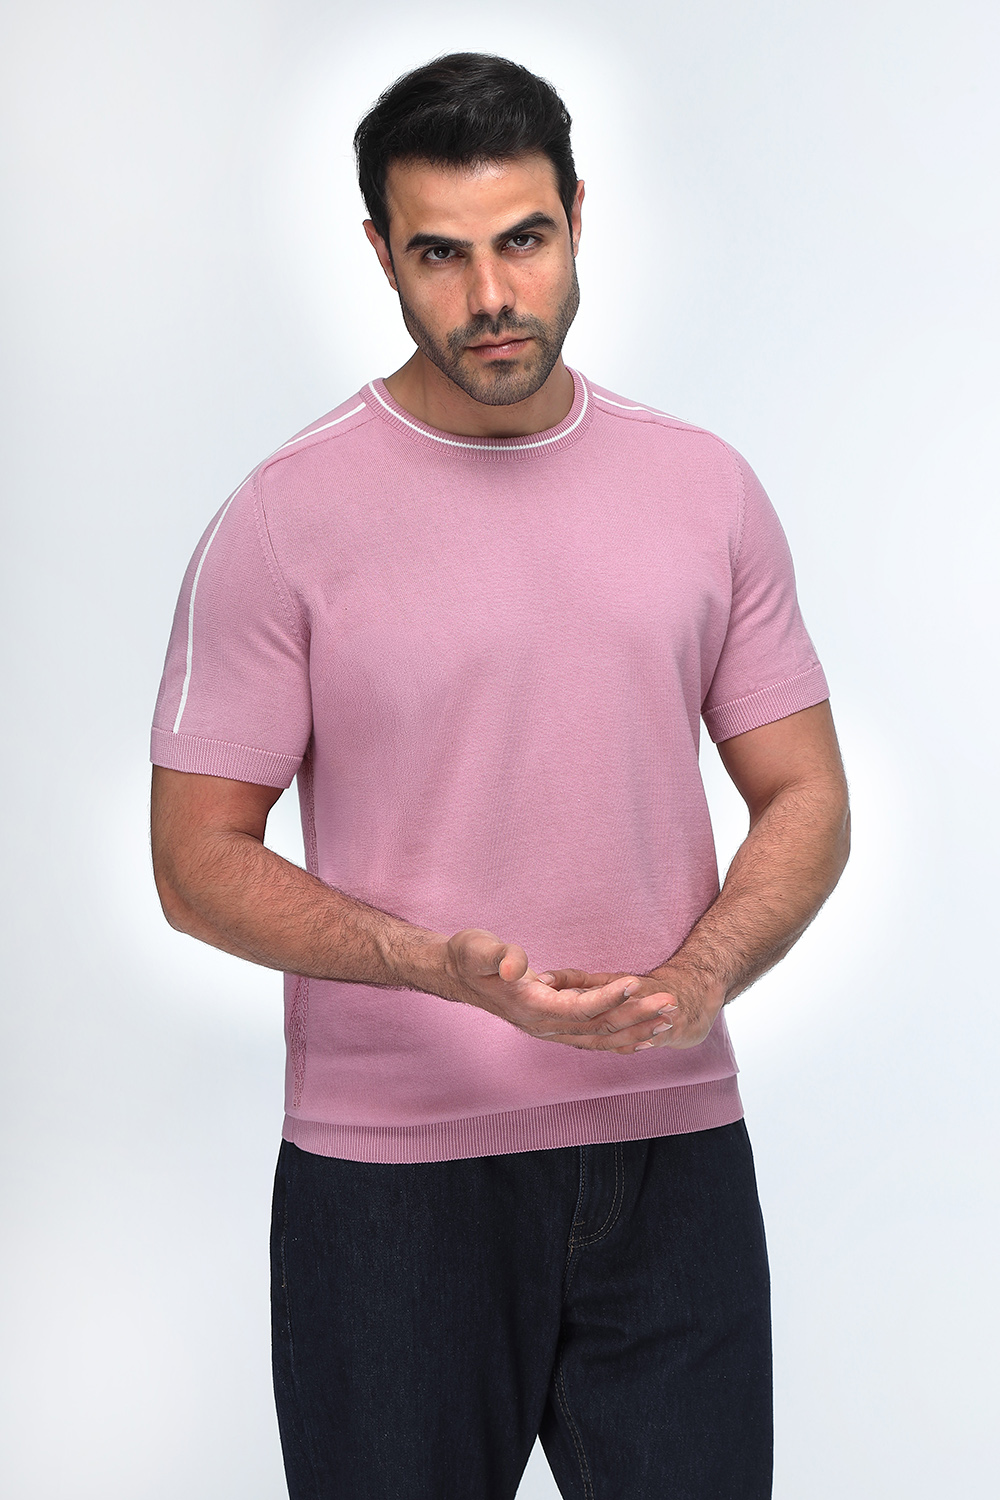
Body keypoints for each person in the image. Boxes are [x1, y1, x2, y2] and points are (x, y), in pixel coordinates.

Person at [150, 52, 849, 1500]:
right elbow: (194, 860)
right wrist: (431, 965)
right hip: (390, 1184)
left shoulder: (703, 489)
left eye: (524, 240)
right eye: (440, 254)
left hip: (673, 1161)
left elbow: (806, 794)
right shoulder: (283, 520)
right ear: (379, 253)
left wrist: (704, 974)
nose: (490, 297)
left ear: (580, 217)